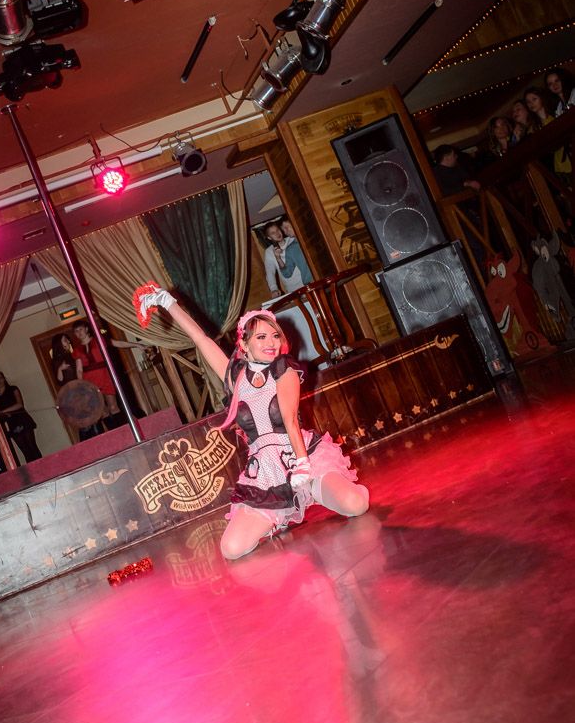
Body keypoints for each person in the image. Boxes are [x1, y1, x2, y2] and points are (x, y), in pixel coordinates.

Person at [134, 284, 369, 560]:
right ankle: (279, 515)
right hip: (265, 474)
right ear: (244, 345)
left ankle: (323, 490)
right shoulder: (236, 378)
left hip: (303, 458)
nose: (271, 342)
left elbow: (290, 419)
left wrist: (303, 465)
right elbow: (201, 338)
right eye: (261, 337)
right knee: (232, 549)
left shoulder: (284, 369)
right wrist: (168, 302)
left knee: (356, 505)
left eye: (275, 335)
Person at [71, 320, 123, 425]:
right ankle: (114, 432)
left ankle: (124, 430)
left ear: (86, 329)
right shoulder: (77, 350)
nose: (79, 333)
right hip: (89, 381)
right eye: (76, 331)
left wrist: (136, 345)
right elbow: (79, 370)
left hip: (104, 376)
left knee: (113, 407)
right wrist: (82, 386)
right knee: (102, 411)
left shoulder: (99, 340)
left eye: (80, 329)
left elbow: (116, 343)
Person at [0, 371, 42, 463]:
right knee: (25, 451)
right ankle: (34, 471)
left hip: (22, 419)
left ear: (4, 378)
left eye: (1, 378)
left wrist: (4, 411)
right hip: (11, 423)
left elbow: (19, 404)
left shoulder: (13, 389)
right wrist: (2, 414)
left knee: (32, 447)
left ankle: (44, 467)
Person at [278, 219, 313, 287]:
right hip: (311, 284)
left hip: (329, 276)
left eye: (286, 227)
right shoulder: (291, 249)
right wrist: (278, 258)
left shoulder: (312, 236)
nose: (285, 232)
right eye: (283, 230)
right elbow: (287, 273)